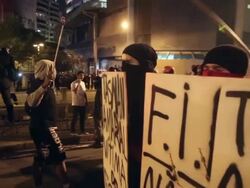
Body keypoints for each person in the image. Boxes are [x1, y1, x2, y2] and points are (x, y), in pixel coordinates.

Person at [25, 59, 69, 188]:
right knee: (59, 156)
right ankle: (66, 184)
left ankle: (39, 185)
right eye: (51, 69)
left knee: (41, 158)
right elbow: (32, 102)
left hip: (43, 127)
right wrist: (44, 85)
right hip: (44, 127)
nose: (54, 71)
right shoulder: (37, 84)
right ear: (45, 70)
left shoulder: (47, 84)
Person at [121, 43, 157, 188]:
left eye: (129, 62)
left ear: (145, 64)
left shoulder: (158, 88)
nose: (124, 66)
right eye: (123, 62)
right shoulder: (123, 84)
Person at [0, 47, 17, 124]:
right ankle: (11, 118)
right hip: (5, 81)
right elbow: (13, 68)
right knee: (8, 101)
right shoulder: (9, 57)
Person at [70, 71, 88, 135]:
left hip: (82, 103)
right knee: (75, 117)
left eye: (83, 75)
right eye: (80, 75)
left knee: (82, 118)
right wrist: (78, 84)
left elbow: (84, 92)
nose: (82, 77)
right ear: (77, 76)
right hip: (76, 103)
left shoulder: (83, 83)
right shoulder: (73, 83)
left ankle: (82, 130)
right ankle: (72, 131)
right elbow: (74, 91)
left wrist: (86, 100)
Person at [92, 74, 103, 148]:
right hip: (99, 111)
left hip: (99, 112)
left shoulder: (99, 92)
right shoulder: (100, 91)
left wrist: (98, 112)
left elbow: (99, 103)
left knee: (98, 126)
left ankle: (98, 141)